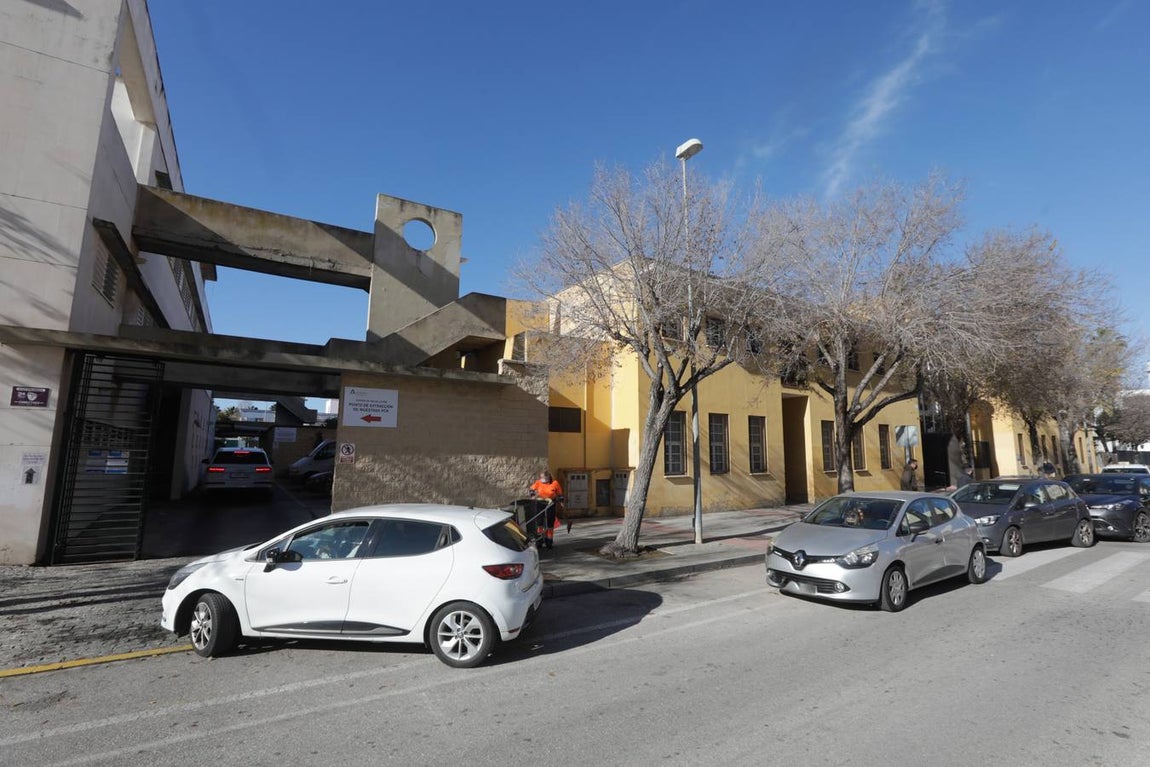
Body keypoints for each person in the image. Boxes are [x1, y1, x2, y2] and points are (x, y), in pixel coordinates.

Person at [528, 470, 563, 549]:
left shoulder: (555, 483)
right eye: (541, 478)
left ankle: (549, 542)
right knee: (539, 523)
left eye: (543, 478)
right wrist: (533, 496)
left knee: (550, 523)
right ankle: (539, 541)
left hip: (551, 504)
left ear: (548, 477)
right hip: (540, 503)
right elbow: (531, 489)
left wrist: (561, 502)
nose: (541, 479)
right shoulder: (538, 483)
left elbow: (560, 493)